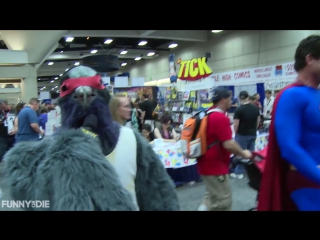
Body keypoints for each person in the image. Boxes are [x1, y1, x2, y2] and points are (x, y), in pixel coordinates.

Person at [4, 65, 179, 211]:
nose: (84, 93)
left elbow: (159, 197)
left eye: (92, 86)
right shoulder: (43, 156)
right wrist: (76, 145)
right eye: (72, 89)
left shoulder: (131, 140)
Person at [258, 35, 320, 211]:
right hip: (307, 181)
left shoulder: (315, 95)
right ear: (310, 59)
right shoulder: (292, 95)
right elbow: (289, 147)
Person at [196, 87, 252, 211]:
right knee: (223, 202)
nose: (231, 101)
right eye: (229, 98)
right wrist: (243, 153)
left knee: (211, 196)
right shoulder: (220, 118)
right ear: (223, 100)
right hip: (215, 167)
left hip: (205, 164)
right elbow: (228, 144)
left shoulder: (207, 113)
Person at [231, 91, 260, 179]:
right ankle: (251, 170)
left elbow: (236, 124)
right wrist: (254, 129)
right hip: (252, 133)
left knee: (241, 153)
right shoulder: (255, 108)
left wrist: (236, 133)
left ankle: (239, 172)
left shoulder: (239, 110)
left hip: (242, 134)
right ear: (248, 97)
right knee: (251, 153)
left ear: (240, 98)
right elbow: (258, 120)